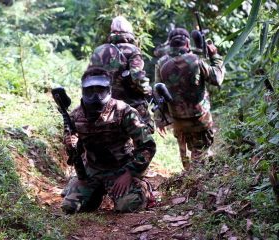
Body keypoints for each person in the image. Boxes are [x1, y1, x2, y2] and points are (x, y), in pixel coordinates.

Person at [61, 67, 156, 214]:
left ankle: (143, 188)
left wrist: (130, 173)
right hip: (92, 170)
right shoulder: (75, 116)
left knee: (129, 205)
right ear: (83, 90)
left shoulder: (123, 111)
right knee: (71, 208)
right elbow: (75, 153)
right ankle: (94, 191)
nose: (95, 96)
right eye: (90, 90)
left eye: (100, 90)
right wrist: (70, 145)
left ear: (109, 90)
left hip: (121, 168)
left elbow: (147, 146)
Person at [154, 28, 225, 170]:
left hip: (177, 119)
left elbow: (158, 92)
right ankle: (198, 183)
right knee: (201, 153)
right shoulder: (196, 60)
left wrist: (159, 119)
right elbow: (217, 78)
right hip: (200, 118)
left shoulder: (161, 63)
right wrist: (215, 56)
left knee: (185, 154)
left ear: (170, 44)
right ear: (187, 43)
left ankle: (191, 178)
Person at [87, 16, 154, 134]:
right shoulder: (133, 50)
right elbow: (137, 77)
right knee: (147, 131)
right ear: (129, 31)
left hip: (104, 105)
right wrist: (148, 91)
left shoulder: (99, 50)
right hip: (130, 104)